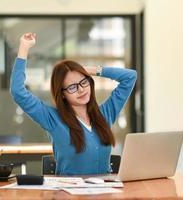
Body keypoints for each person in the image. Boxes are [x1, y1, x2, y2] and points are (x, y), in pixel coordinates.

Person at [10, 32, 137, 175]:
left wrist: (92, 70)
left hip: (105, 192)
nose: (81, 90)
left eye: (84, 82)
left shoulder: (105, 114)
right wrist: (24, 48)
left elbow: (130, 77)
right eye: (72, 87)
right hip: (69, 194)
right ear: (62, 94)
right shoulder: (52, 118)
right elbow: (18, 91)